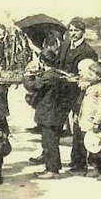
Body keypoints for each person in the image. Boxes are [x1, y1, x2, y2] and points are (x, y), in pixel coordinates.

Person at [57, 17, 98, 173]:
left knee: (78, 127)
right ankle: (50, 158)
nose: (73, 34)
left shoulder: (89, 52)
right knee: (54, 124)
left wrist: (77, 79)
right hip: (62, 93)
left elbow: (93, 75)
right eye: (71, 30)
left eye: (76, 31)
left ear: (83, 32)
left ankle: (79, 162)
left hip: (78, 94)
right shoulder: (64, 46)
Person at [22, 48, 68, 179]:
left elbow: (33, 86)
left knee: (49, 143)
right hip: (55, 113)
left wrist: (27, 75)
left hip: (49, 114)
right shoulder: (57, 73)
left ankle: (52, 170)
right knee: (52, 142)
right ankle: (54, 167)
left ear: (42, 61)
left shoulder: (49, 76)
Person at [77, 62, 101, 180]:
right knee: (91, 145)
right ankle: (96, 168)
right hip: (88, 121)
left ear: (99, 77)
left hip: (97, 123)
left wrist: (97, 121)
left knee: (100, 146)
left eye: (91, 74)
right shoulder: (92, 85)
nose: (89, 75)